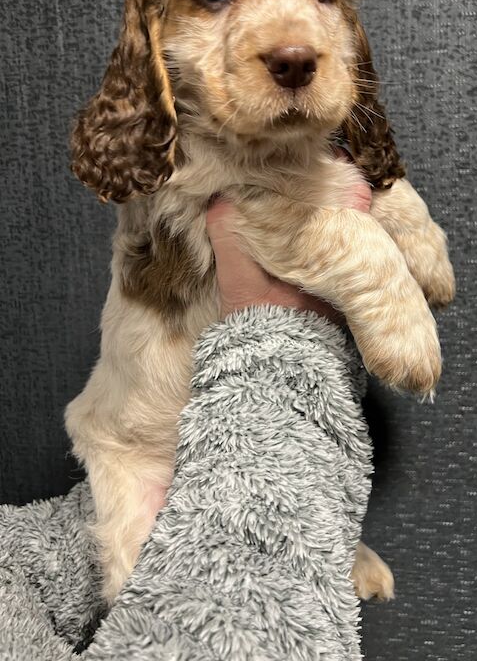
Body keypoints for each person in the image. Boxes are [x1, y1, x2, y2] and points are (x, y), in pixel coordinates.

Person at [0, 174, 375, 660]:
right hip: (141, 450)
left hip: (187, 436)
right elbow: (215, 633)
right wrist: (284, 349)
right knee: (138, 574)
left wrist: (315, 533)